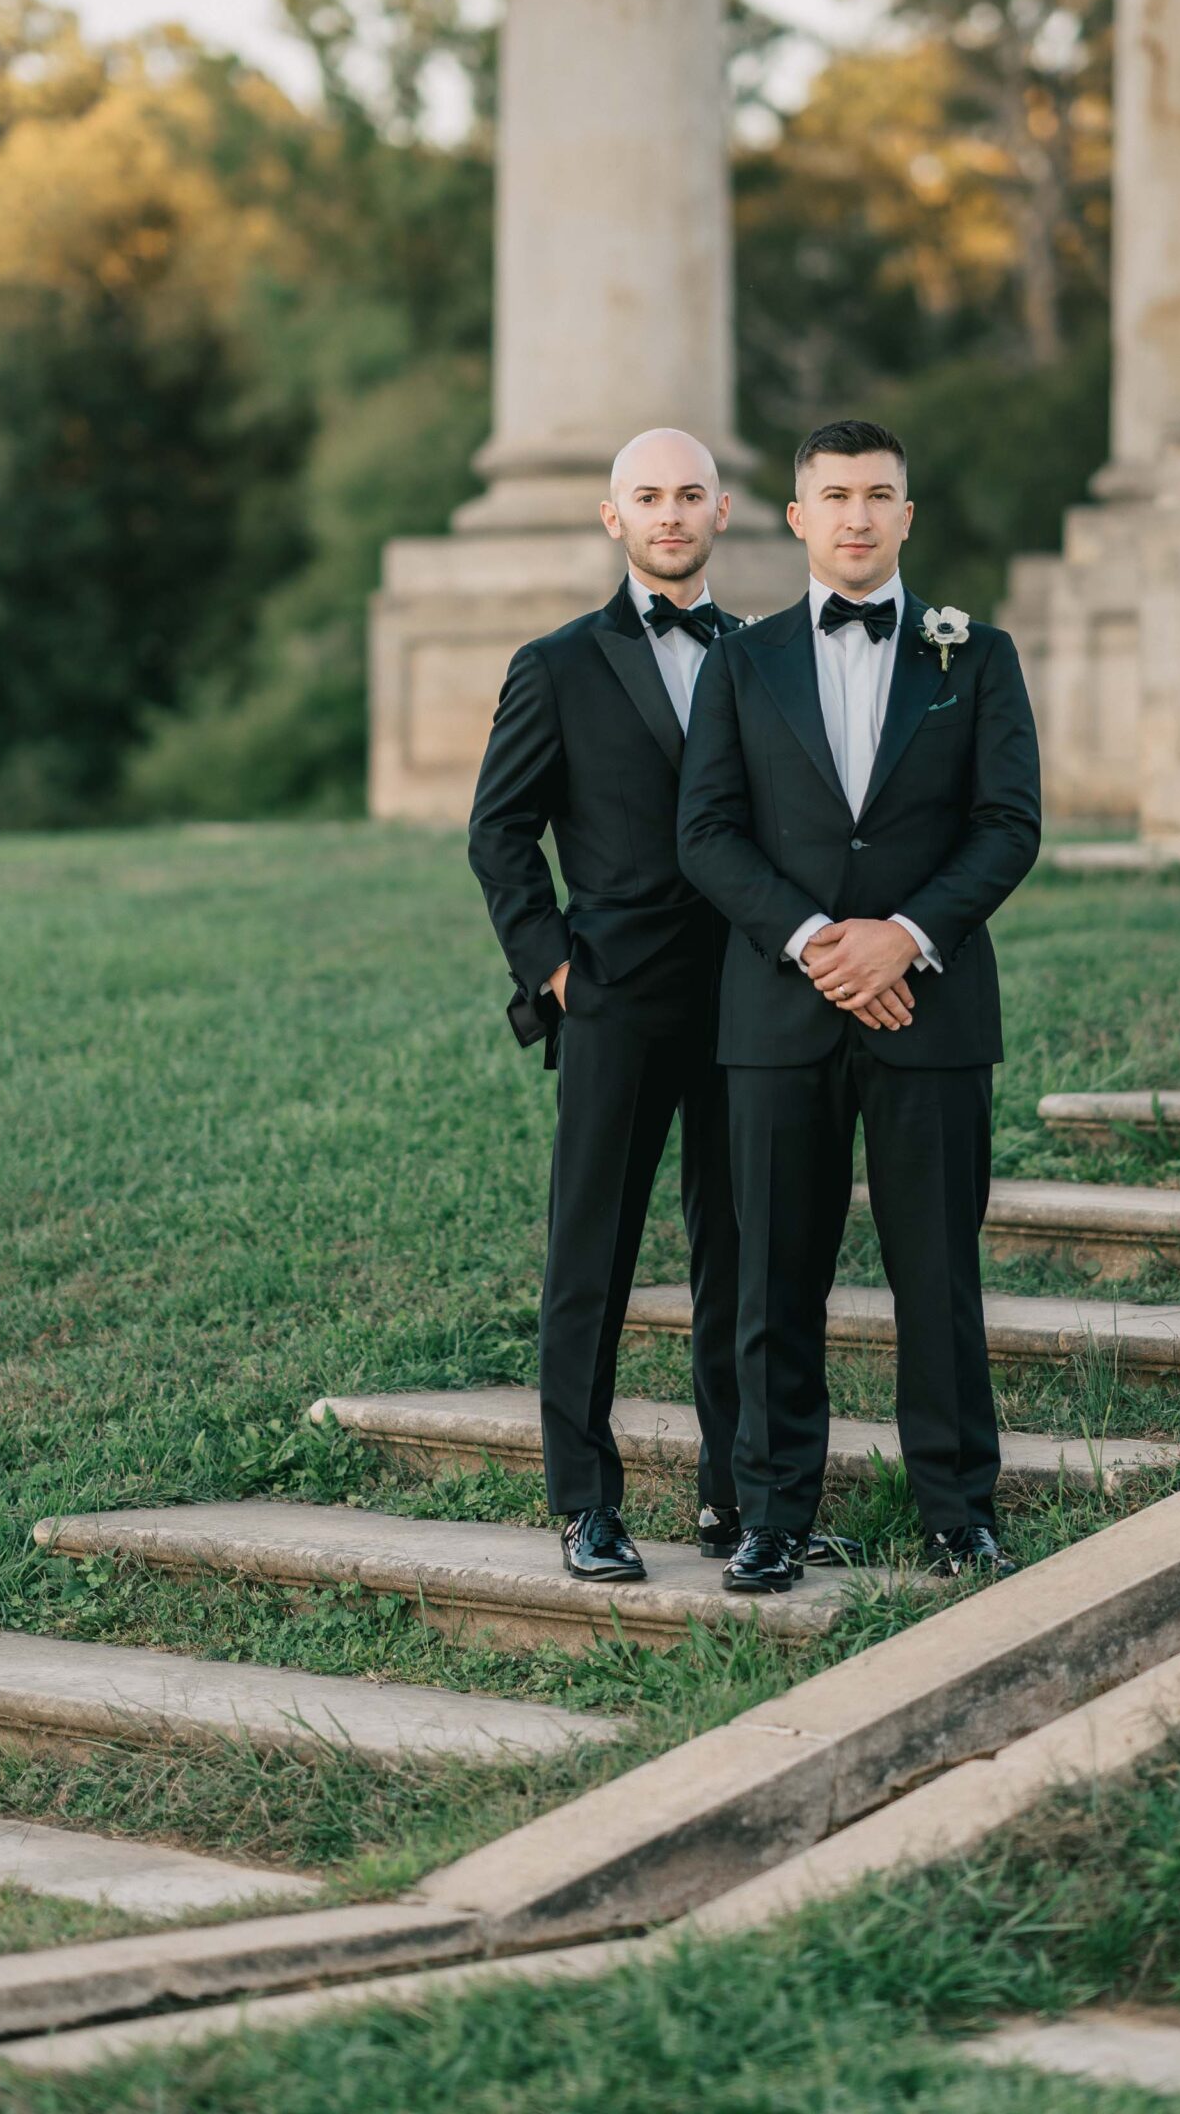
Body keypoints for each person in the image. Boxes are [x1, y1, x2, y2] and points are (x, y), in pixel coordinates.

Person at [677, 417, 1042, 1594]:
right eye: (834, 495)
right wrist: (816, 944)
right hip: (778, 1017)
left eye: (879, 494)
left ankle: (958, 1513)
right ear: (797, 518)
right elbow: (706, 832)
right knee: (773, 1279)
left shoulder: (975, 656)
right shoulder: (741, 662)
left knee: (937, 1274)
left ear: (906, 515)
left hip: (932, 1010)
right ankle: (772, 1515)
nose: (856, 515)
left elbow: (1008, 824)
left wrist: (905, 938)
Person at [466, 428, 744, 1584]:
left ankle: (740, 1499)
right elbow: (499, 830)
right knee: (593, 1255)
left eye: (689, 494)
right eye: (648, 496)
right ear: (612, 516)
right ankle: (585, 1502)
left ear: (723, 512)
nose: (669, 513)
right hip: (613, 998)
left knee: (742, 1255)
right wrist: (556, 969)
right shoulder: (557, 665)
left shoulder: (766, 655)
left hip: (748, 1000)